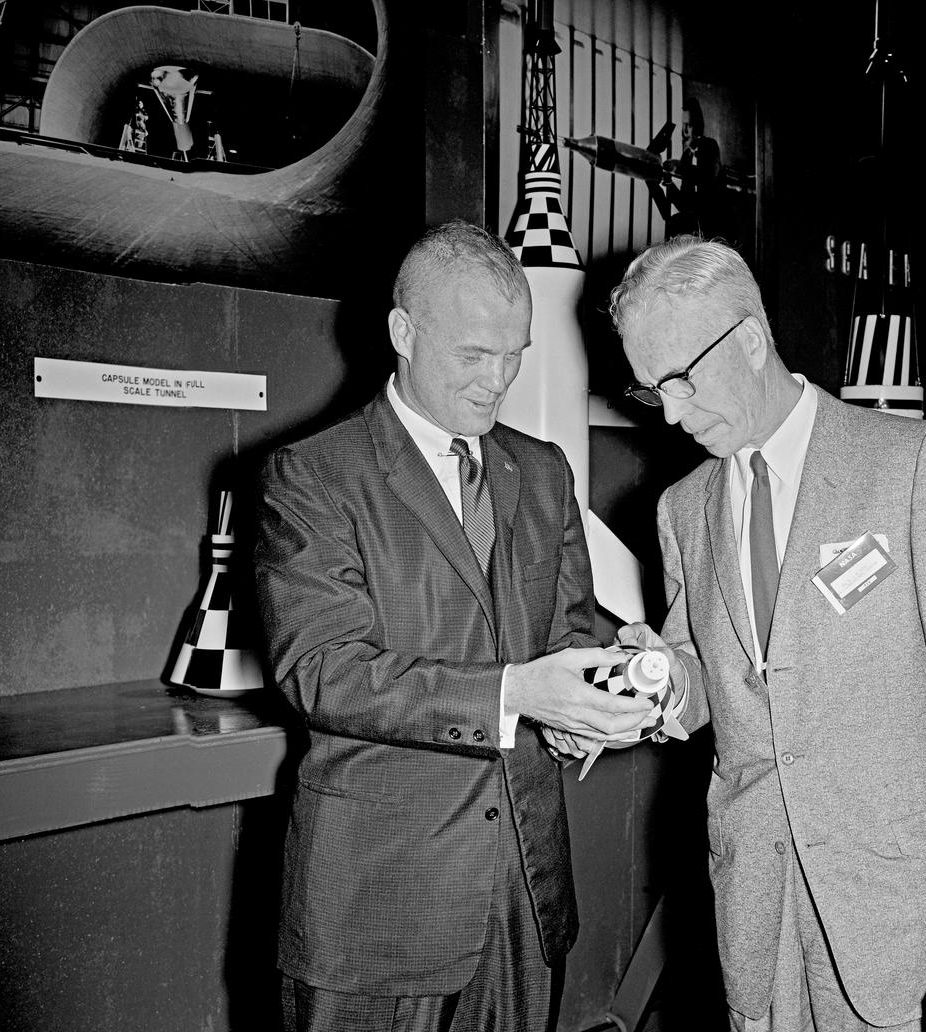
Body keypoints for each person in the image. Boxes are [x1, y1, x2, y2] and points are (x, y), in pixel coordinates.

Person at [602, 236, 926, 1030]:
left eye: (681, 380)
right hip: (757, 909)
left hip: (901, 914)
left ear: (749, 340)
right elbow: (708, 677)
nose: (670, 412)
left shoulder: (912, 463)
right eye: (649, 389)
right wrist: (659, 680)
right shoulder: (683, 508)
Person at [254, 219, 655, 1032]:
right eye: (474, 354)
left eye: (514, 355)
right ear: (403, 333)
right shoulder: (315, 475)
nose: (497, 380)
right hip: (380, 907)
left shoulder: (542, 471)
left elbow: (566, 636)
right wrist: (517, 696)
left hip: (523, 900)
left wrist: (600, 691)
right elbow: (323, 670)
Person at [664, 97, 724, 239]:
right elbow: (684, 204)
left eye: (689, 125)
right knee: (672, 226)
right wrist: (669, 184)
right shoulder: (686, 156)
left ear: (698, 126)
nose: (684, 131)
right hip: (694, 223)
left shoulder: (710, 146)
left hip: (713, 221)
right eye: (683, 125)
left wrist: (679, 168)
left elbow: (707, 178)